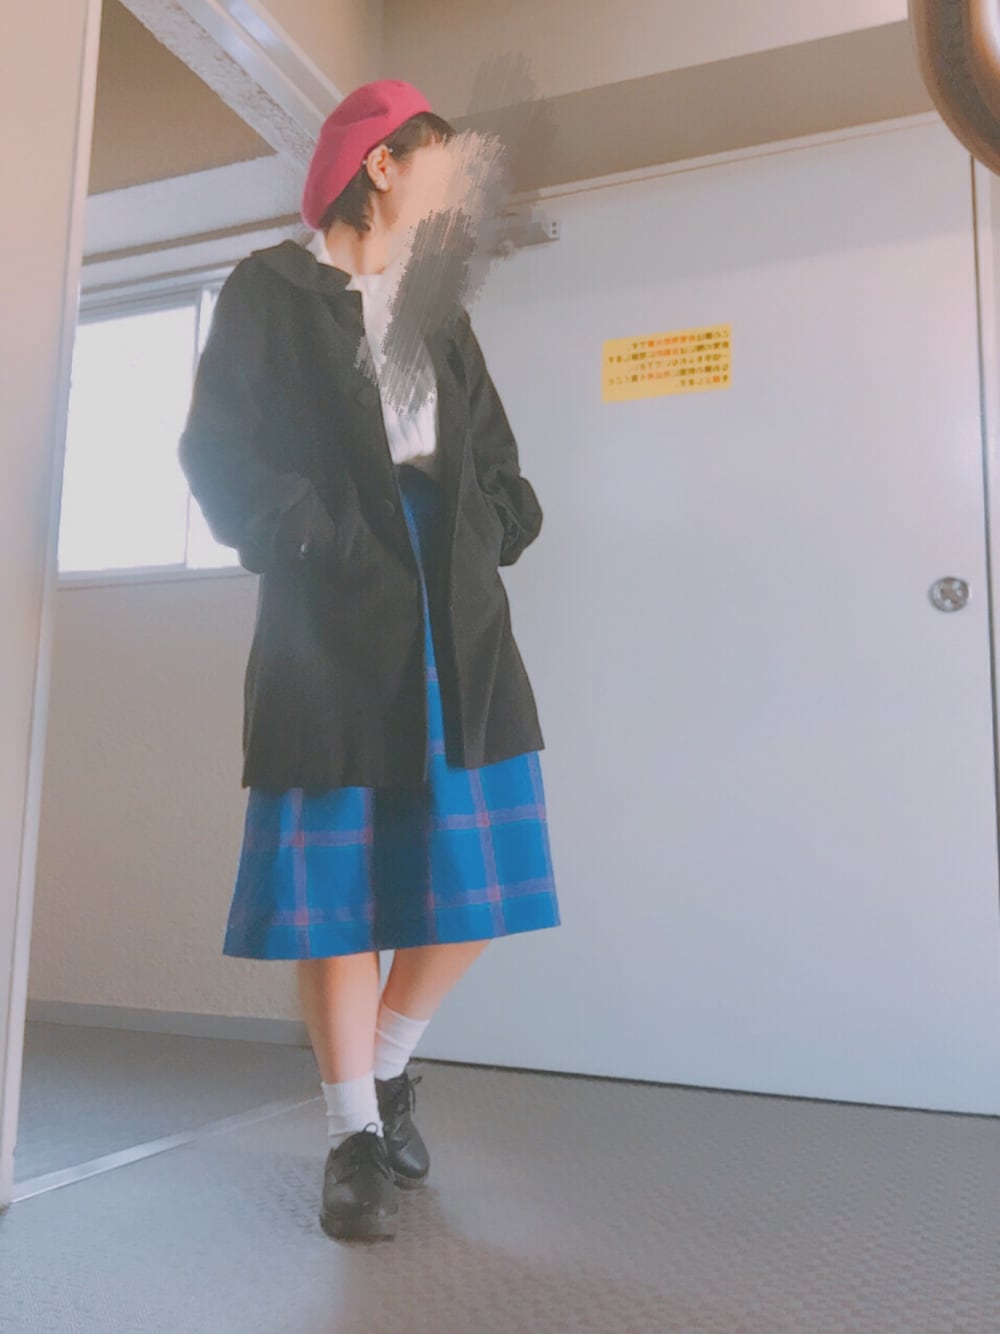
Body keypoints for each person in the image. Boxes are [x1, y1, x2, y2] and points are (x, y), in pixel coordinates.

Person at [178, 78, 561, 1244]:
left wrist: (493, 527)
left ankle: (388, 1063)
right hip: (331, 619)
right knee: (337, 901)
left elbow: (497, 458)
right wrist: (319, 536)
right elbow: (217, 447)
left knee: (480, 881)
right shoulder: (271, 289)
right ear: (382, 164)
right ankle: (351, 1135)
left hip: (454, 613)